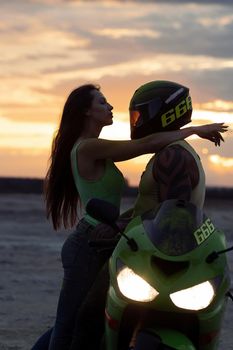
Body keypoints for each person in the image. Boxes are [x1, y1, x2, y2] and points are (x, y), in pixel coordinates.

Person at [31, 83, 227, 350]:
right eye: (102, 102)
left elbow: (163, 211)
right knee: (76, 322)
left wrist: (121, 223)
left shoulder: (170, 154)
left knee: (86, 319)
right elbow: (144, 145)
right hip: (91, 239)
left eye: (136, 114)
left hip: (117, 239)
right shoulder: (88, 147)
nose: (111, 107)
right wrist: (194, 130)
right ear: (85, 112)